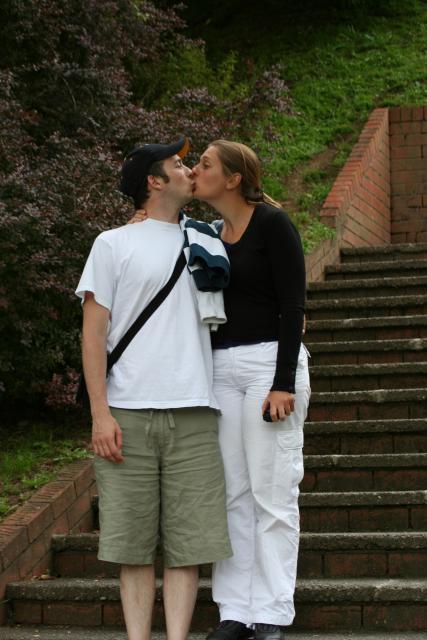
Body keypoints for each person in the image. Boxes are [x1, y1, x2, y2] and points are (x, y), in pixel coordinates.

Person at [131, 139, 310, 640]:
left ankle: (272, 614)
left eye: (205, 165)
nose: (196, 171)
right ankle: (235, 611)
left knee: (273, 497)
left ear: (232, 179)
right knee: (233, 494)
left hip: (268, 368)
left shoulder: (273, 225)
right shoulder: (204, 234)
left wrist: (281, 383)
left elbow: (294, 306)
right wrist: (139, 226)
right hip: (220, 369)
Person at [75, 137, 231, 640]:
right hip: (127, 414)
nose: (189, 170)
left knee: (189, 546)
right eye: (179, 164)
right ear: (154, 181)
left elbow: (257, 204)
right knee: (132, 546)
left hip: (193, 411)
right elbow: (93, 334)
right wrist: (100, 414)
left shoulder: (209, 238)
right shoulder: (112, 243)